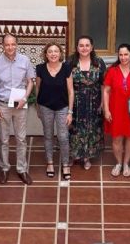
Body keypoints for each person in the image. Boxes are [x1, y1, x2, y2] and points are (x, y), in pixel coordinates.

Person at [0, 34, 36, 185]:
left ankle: (22, 169)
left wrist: (25, 98)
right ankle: (5, 168)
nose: (10, 47)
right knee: (4, 139)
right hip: (2, 105)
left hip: (20, 104)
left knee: (21, 138)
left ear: (17, 44)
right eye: (7, 44)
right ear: (2, 45)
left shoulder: (25, 60)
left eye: (13, 44)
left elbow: (30, 81)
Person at [103, 43, 130, 178]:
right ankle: (119, 163)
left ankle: (126, 163)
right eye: (120, 54)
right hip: (115, 109)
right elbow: (106, 91)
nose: (123, 57)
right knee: (116, 138)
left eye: (126, 54)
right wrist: (106, 109)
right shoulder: (112, 71)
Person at [35, 43, 74, 180]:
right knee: (48, 135)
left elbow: (70, 91)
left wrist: (70, 111)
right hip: (45, 107)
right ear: (46, 54)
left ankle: (65, 164)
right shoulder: (40, 68)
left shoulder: (66, 68)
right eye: (50, 51)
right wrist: (37, 107)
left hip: (62, 107)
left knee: (63, 137)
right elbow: (37, 88)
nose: (53, 54)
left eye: (56, 51)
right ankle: (50, 163)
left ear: (60, 53)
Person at [68, 35, 106, 170]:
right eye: (81, 45)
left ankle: (86, 157)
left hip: (94, 103)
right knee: (74, 129)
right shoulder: (70, 63)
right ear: (77, 48)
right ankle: (73, 155)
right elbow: (67, 86)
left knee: (91, 129)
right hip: (76, 103)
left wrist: (102, 103)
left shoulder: (99, 62)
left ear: (92, 47)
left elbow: (103, 84)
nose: (84, 48)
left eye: (87, 45)